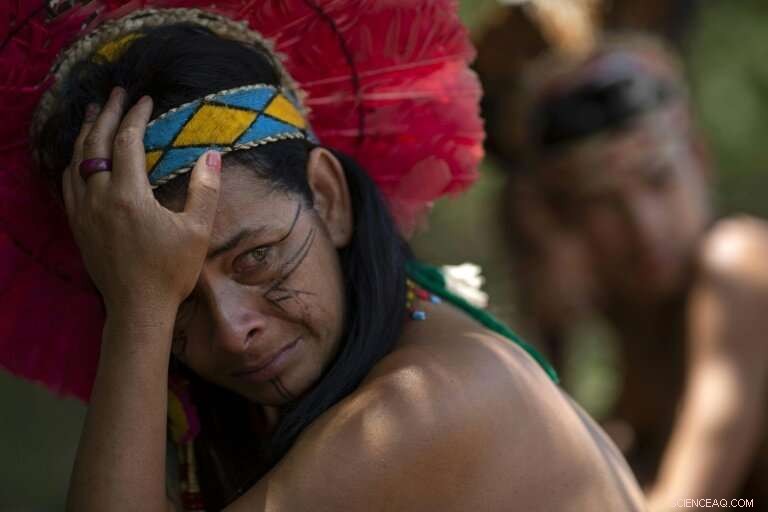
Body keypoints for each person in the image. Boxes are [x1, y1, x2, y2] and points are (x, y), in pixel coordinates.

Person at [1, 3, 644, 511]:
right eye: (176, 298)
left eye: (255, 259)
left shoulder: (421, 408)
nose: (231, 329)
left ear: (329, 198)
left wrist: (139, 309)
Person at [501, 34, 768, 509]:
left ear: (699, 160)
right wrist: (549, 320)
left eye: (658, 180)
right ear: (567, 222)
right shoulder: (633, 324)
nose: (644, 227)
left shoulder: (737, 263)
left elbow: (694, 504)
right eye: (604, 203)